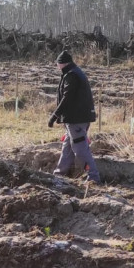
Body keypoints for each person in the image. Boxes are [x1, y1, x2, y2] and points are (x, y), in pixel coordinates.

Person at [48, 50, 101, 183]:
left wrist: (55, 115)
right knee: (68, 146)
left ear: (62, 64)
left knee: (80, 148)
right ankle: (60, 173)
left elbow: (67, 98)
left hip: (77, 119)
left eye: (57, 64)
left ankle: (93, 177)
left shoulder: (71, 75)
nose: (57, 67)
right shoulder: (74, 72)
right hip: (77, 118)